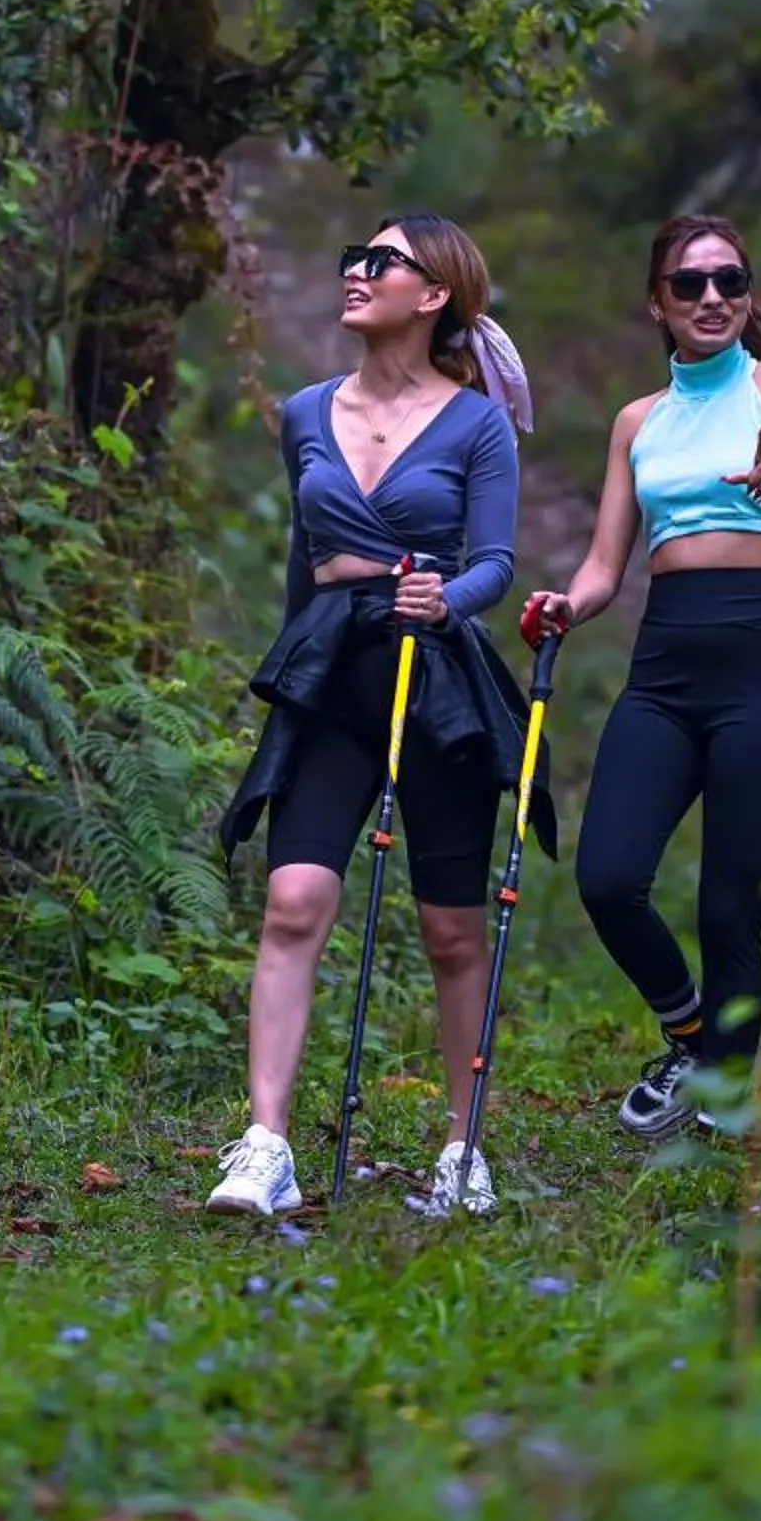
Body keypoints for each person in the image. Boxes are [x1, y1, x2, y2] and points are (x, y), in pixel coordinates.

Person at [211, 215, 552, 1218]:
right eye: (352, 257)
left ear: (434, 293)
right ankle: (264, 1145)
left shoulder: (477, 425)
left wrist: (444, 598)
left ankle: (461, 1147)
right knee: (292, 900)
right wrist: (291, 670)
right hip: (332, 670)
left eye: (381, 261)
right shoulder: (305, 413)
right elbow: (303, 555)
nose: (355, 273)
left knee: (449, 930)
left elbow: (495, 561)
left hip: (431, 675)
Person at [524, 216, 761, 1140]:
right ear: (658, 303)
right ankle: (693, 1037)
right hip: (666, 667)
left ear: (749, 295)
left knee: (729, 907)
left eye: (730, 280)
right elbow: (607, 564)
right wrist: (568, 604)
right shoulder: (636, 422)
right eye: (690, 283)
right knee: (608, 876)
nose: (712, 297)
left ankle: (725, 1105)